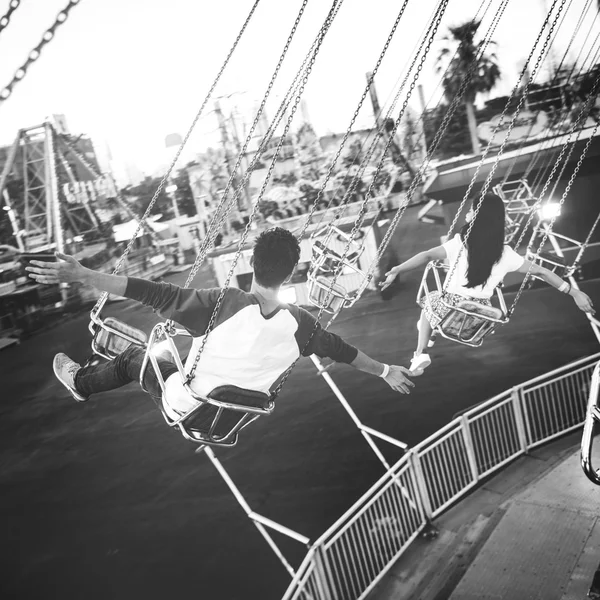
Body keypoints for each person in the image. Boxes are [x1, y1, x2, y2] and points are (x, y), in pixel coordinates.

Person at [27, 228, 415, 420]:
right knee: (166, 352)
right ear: (291, 270)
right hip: (233, 414)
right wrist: (384, 370)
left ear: (252, 264)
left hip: (190, 406)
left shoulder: (224, 303)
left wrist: (85, 276)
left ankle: (80, 384)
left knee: (134, 358)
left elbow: (152, 293)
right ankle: (114, 367)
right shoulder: (302, 324)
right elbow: (342, 351)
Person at [380, 192, 595, 375]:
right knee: (436, 311)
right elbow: (541, 271)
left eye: (472, 210)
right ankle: (431, 334)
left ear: (477, 216)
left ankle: (419, 353)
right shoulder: (506, 253)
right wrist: (573, 292)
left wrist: (398, 269)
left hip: (453, 307)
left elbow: (426, 255)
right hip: (479, 318)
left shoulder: (459, 243)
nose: (469, 212)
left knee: (431, 300)